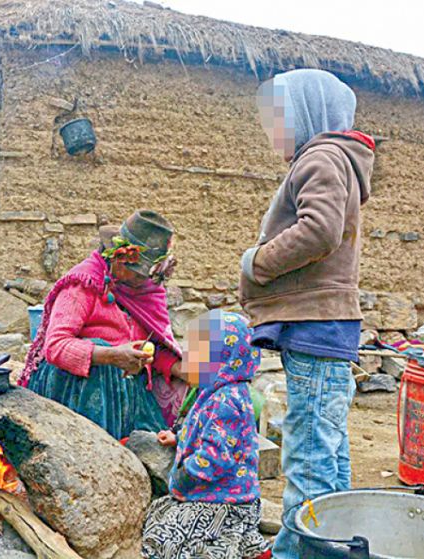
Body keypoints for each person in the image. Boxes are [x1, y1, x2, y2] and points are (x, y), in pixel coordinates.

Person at [239, 69, 375, 558]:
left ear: (306, 113)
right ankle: (337, 545)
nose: (273, 130)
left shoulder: (321, 157)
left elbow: (319, 231)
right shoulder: (336, 160)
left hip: (315, 323)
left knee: (309, 453)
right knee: (329, 446)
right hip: (324, 325)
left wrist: (257, 262)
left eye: (279, 119)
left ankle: (301, 553)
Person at [19, 210, 188, 440]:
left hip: (125, 390)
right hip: (76, 388)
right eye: (139, 274)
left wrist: (182, 369)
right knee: (101, 357)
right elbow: (55, 346)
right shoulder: (82, 285)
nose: (146, 281)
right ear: (119, 259)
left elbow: (154, 346)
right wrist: (110, 355)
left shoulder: (144, 292)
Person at [142, 310, 270, 559]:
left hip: (226, 500)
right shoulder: (214, 392)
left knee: (167, 540)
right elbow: (211, 433)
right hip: (213, 493)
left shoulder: (227, 401)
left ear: (223, 359)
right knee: (159, 514)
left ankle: (240, 547)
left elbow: (216, 457)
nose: (187, 358)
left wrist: (184, 475)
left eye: (196, 353)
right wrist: (179, 439)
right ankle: (247, 546)